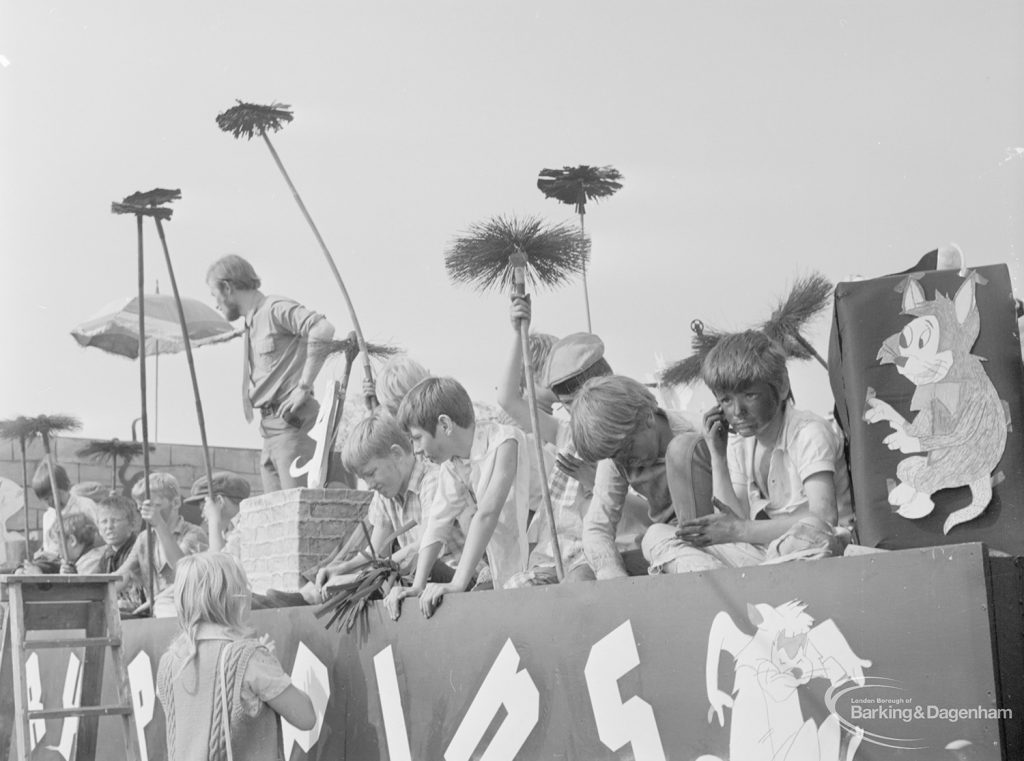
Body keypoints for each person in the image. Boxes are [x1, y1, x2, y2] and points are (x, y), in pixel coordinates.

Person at [648, 330, 853, 572]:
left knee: (807, 533)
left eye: (750, 395)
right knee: (656, 535)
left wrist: (740, 529)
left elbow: (824, 518)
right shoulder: (739, 443)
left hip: (815, 551)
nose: (737, 411)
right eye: (726, 400)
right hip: (764, 555)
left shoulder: (809, 432)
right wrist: (718, 455)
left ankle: (744, 585)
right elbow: (731, 519)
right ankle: (730, 589)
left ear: (783, 386)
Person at [497, 297, 648, 584]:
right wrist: (518, 334)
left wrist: (596, 482)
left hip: (597, 551)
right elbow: (507, 399)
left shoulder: (625, 440)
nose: (568, 411)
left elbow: (647, 514)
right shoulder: (564, 432)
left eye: (574, 404)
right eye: (565, 405)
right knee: (517, 591)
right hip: (552, 553)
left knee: (575, 590)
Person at [384, 377, 534, 619]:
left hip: (546, 548)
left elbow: (487, 515)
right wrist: (417, 585)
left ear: (444, 425)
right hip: (510, 561)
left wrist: (457, 583)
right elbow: (437, 523)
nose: (417, 450)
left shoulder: (505, 442)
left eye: (417, 438)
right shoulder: (453, 465)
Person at [156, 552, 315, 760]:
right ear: (233, 599)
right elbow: (305, 717)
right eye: (245, 588)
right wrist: (270, 665)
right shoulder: (250, 659)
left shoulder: (169, 662)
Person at [207, 254, 336, 493]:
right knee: (276, 518)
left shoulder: (273, 309)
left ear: (227, 288)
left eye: (215, 296)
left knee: (298, 511)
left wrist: (304, 386)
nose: (216, 304)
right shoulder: (251, 323)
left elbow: (323, 328)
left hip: (293, 422)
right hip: (270, 428)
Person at [571, 375, 705, 579]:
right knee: (579, 577)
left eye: (628, 448)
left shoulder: (701, 434)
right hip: (665, 546)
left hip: (711, 543)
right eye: (615, 456)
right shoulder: (617, 457)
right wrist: (612, 573)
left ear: (647, 418)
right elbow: (597, 527)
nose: (625, 461)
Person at [116, 472, 208, 617]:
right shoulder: (144, 539)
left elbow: (182, 570)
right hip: (156, 616)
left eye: (155, 506)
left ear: (176, 502)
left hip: (188, 615)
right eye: (142, 508)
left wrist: (159, 525)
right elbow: (122, 576)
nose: (147, 513)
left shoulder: (194, 534)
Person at [32, 461, 99, 555]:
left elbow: (100, 537)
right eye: (46, 499)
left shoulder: (85, 506)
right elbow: (48, 547)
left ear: (67, 487)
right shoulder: (48, 516)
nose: (52, 501)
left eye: (55, 494)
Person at [94, 494, 146, 616]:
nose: (109, 527)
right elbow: (96, 580)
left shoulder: (137, 548)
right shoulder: (107, 555)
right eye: (104, 521)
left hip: (139, 612)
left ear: (132, 524)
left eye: (115, 521)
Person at [186, 471, 252, 559]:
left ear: (219, 501)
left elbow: (219, 565)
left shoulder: (246, 527)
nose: (202, 515)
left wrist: (214, 519)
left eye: (204, 509)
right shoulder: (228, 530)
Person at [21, 512, 105, 575]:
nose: (56, 550)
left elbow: (81, 593)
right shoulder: (78, 561)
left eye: (57, 543)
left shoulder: (91, 561)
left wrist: (39, 577)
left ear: (72, 541)